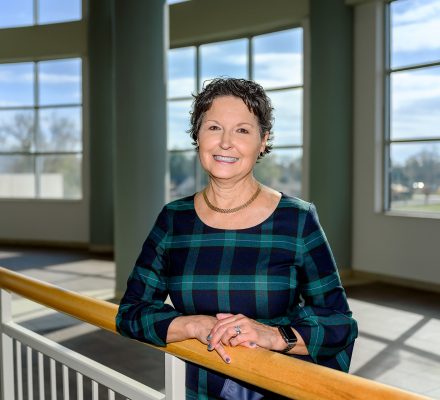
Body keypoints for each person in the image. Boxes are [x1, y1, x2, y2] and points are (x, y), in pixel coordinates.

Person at [116, 78, 358, 399]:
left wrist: (275, 335)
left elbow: (338, 322)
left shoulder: (297, 219)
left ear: (263, 141)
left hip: (275, 389)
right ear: (198, 135)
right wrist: (193, 325)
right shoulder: (174, 219)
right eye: (214, 127)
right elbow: (131, 312)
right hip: (200, 390)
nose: (226, 142)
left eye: (242, 130)